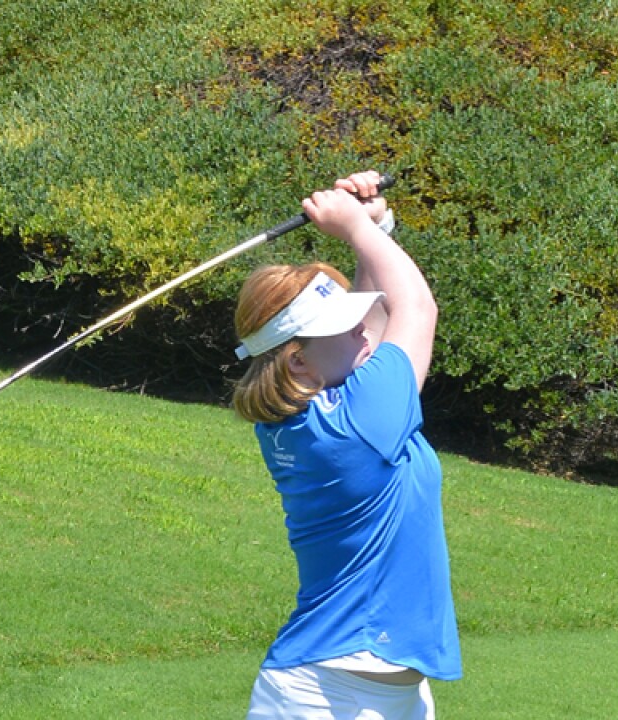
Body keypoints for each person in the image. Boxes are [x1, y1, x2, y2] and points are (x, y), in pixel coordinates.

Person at [232, 171, 460, 719]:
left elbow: (376, 324)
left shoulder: (307, 416)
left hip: (382, 689)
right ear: (297, 359)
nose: (362, 330)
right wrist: (358, 230)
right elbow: (416, 310)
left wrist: (376, 227)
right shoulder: (355, 426)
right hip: (322, 696)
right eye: (343, 326)